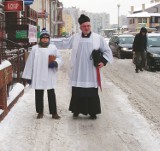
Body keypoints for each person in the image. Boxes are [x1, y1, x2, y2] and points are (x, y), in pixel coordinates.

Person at [61, 14, 113, 119]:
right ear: (80, 27)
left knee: (91, 91)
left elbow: (107, 51)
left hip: (91, 70)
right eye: (84, 26)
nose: (87, 28)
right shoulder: (75, 38)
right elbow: (63, 43)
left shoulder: (98, 38)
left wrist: (103, 62)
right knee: (77, 90)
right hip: (78, 70)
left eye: (88, 26)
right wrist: (47, 42)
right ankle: (76, 110)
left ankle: (92, 111)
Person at [22, 28, 63, 119]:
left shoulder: (53, 48)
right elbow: (30, 62)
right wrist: (29, 75)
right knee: (39, 93)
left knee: (51, 93)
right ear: (40, 39)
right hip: (38, 75)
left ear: (49, 39)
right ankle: (40, 112)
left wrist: (56, 62)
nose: (45, 39)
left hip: (49, 74)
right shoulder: (35, 49)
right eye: (43, 38)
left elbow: (60, 58)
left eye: (46, 38)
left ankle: (54, 113)